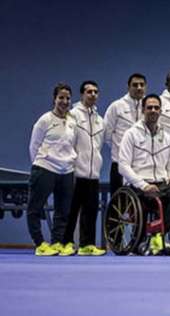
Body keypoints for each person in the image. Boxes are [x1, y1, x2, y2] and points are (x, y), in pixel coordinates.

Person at [118, 94, 170, 255]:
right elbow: (123, 166)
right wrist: (143, 185)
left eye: (156, 108)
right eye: (149, 107)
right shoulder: (131, 134)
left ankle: (158, 235)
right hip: (138, 185)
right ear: (143, 110)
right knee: (145, 201)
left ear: (161, 111)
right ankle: (142, 240)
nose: (153, 110)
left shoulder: (166, 137)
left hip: (161, 183)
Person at [27, 83, 78, 256]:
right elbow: (34, 146)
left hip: (66, 171)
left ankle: (57, 242)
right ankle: (40, 244)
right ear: (54, 99)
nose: (64, 101)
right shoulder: (45, 120)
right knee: (35, 207)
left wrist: (68, 163)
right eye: (61, 97)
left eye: (68, 98)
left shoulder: (72, 121)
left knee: (63, 211)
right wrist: (41, 164)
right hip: (45, 168)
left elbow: (72, 144)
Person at [63, 80, 106, 256]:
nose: (93, 95)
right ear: (82, 94)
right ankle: (66, 243)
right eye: (89, 92)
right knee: (71, 210)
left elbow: (99, 145)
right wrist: (72, 165)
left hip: (93, 173)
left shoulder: (99, 120)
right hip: (75, 172)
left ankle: (87, 244)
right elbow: (67, 143)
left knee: (90, 211)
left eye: (96, 92)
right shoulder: (72, 115)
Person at [104, 73, 146, 196]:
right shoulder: (116, 107)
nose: (139, 88)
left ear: (146, 87)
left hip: (141, 166)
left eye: (141, 85)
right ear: (128, 87)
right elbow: (107, 135)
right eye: (135, 85)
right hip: (119, 164)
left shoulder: (149, 107)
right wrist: (121, 150)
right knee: (119, 205)